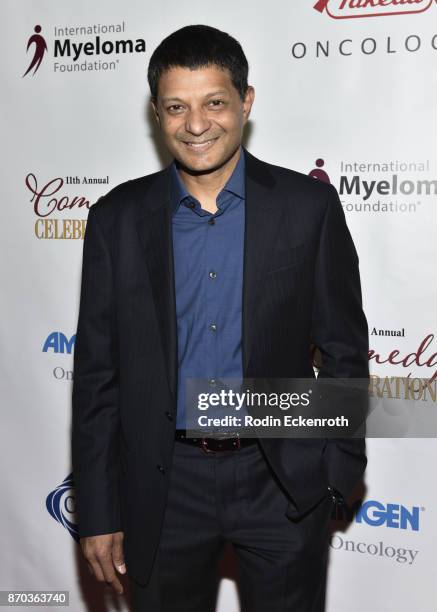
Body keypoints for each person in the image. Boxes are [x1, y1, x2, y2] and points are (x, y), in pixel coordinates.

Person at [72, 24, 369, 612]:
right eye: (177, 107)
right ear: (157, 113)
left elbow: (344, 347)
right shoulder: (116, 219)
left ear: (246, 102)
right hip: (163, 484)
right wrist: (99, 510)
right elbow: (97, 376)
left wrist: (337, 468)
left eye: (214, 103)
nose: (197, 124)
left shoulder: (306, 207)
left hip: (280, 478)